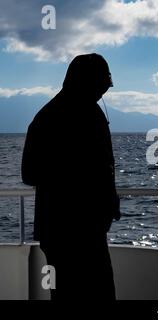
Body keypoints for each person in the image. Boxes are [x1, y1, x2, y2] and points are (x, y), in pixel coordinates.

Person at [21, 53, 120, 300]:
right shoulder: (66, 117)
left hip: (64, 231)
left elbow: (30, 173)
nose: (102, 93)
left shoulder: (48, 116)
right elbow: (30, 173)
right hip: (73, 233)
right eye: (100, 86)